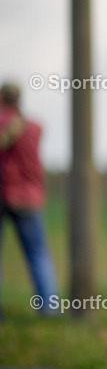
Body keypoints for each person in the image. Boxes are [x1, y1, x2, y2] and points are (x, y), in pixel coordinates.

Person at [0, 82, 59, 317]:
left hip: (4, 193)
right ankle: (50, 310)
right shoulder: (34, 126)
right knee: (38, 254)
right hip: (29, 197)